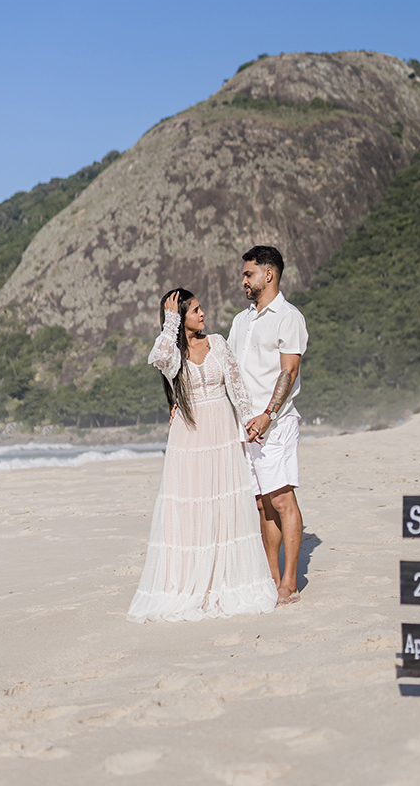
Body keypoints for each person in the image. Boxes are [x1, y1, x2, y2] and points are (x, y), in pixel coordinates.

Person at [127, 288, 278, 622]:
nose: (202, 313)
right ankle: (192, 580)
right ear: (181, 317)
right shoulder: (173, 353)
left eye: (200, 308)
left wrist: (249, 422)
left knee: (223, 503)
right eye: (194, 310)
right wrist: (170, 322)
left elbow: (237, 386)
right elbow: (159, 358)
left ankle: (224, 579)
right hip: (189, 436)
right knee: (191, 506)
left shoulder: (218, 343)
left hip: (222, 431)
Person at [228, 246, 308, 605]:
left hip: (276, 423)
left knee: (281, 498)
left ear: (269, 274)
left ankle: (290, 583)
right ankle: (271, 578)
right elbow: (229, 370)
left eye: (249, 274)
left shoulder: (288, 317)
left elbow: (288, 371)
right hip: (246, 427)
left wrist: (268, 415)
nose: (244, 281)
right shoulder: (241, 321)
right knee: (262, 504)